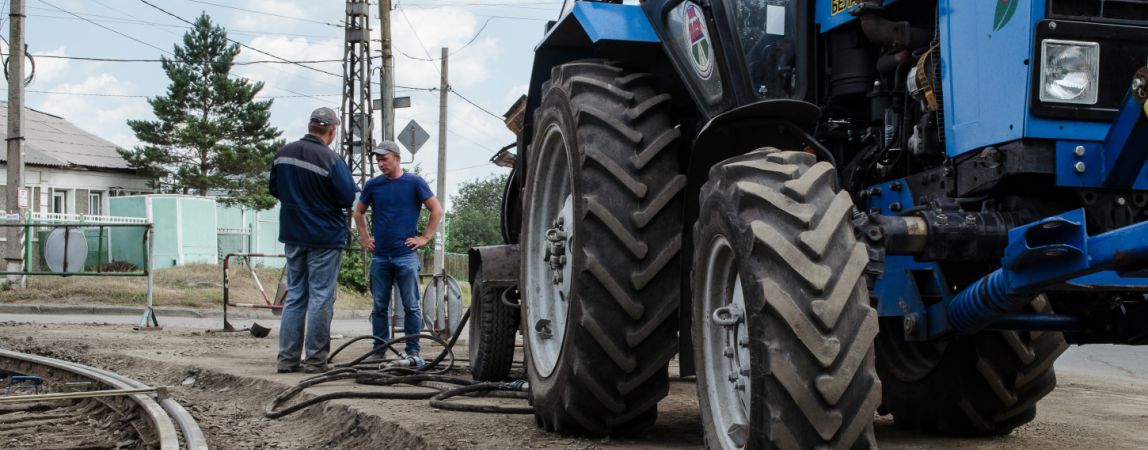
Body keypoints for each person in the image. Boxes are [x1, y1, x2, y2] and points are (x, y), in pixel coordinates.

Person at [269, 107, 358, 374]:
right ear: (332, 131)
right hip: (325, 237)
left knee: (295, 295)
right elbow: (346, 198)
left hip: (294, 234)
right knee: (321, 297)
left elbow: (274, 188)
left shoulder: (283, 154)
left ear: (310, 126)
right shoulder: (331, 159)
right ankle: (316, 360)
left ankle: (287, 359)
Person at [353, 141, 443, 364]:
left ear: (396, 157)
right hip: (381, 256)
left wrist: (424, 238)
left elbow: (436, 209)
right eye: (378, 161)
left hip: (405, 256)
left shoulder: (414, 182)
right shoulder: (373, 185)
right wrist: (365, 238)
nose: (381, 164)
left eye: (384, 159)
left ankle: (413, 350)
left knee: (411, 306)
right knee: (379, 307)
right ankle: (379, 349)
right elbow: (358, 212)